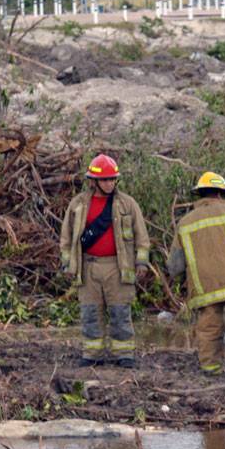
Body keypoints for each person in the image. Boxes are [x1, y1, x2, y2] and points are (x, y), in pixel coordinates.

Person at [167, 172, 225, 375]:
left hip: (203, 288)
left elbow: (174, 266)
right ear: (221, 194)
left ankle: (211, 368)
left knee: (208, 327)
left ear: (199, 195)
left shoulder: (185, 223)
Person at [60, 154, 150, 368]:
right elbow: (66, 237)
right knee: (90, 313)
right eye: (105, 179)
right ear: (93, 181)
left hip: (118, 267)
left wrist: (141, 263)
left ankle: (124, 354)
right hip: (88, 266)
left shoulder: (127, 204)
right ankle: (92, 354)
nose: (110, 183)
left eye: (112, 179)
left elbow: (142, 237)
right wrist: (67, 264)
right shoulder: (78, 205)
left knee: (120, 312)